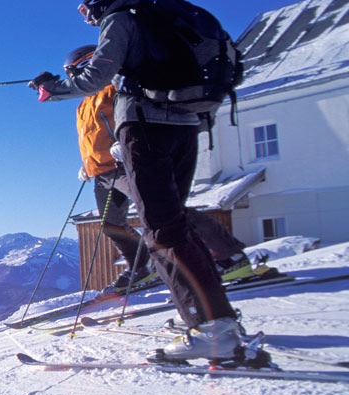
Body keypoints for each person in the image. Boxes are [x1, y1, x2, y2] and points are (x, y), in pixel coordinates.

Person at [30, 0, 259, 364]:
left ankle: (212, 329)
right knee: (171, 226)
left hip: (145, 128)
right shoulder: (162, 16)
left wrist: (53, 87)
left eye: (86, 12)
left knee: (163, 230)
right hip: (185, 126)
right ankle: (215, 319)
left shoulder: (121, 20)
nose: (88, 19)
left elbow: (97, 75)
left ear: (99, 4)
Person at [63, 44, 261, 293]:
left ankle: (231, 256)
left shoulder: (118, 87)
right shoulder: (83, 105)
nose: (79, 76)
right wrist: (88, 164)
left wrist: (125, 145)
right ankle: (141, 266)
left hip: (127, 164)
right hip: (101, 173)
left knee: (166, 211)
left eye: (84, 67)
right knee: (110, 222)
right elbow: (94, 138)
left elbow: (139, 115)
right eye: (74, 72)